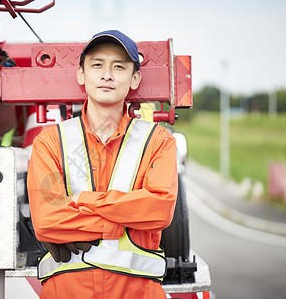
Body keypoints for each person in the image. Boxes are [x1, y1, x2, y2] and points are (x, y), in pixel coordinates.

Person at [27, 30, 178, 299]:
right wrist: (124, 222)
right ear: (81, 75)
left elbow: (159, 210)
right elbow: (47, 221)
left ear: (135, 79)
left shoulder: (158, 141)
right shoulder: (50, 141)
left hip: (137, 292)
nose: (107, 74)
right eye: (97, 65)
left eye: (118, 66)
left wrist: (83, 201)